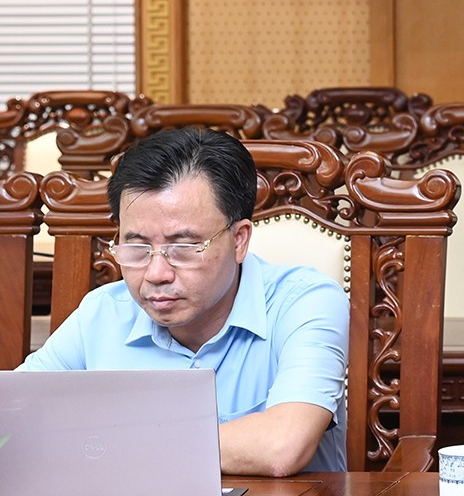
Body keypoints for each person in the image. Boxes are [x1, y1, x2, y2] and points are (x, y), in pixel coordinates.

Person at [19, 128, 350, 475]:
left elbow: (282, 445)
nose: (156, 273)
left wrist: (104, 442)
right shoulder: (102, 313)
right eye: (137, 247)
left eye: (183, 247)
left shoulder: (304, 302)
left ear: (239, 240)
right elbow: (14, 419)